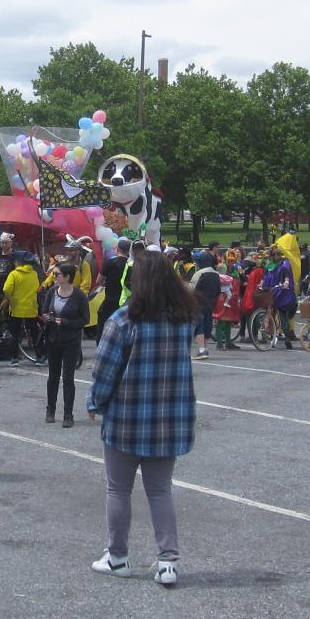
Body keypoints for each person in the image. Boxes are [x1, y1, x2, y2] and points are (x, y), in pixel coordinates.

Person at [86, 248, 196, 587]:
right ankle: (167, 562)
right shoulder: (183, 320)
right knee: (160, 490)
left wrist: (95, 402)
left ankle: (117, 557)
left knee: (118, 489)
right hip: (169, 419)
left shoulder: (122, 320)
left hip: (127, 418)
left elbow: (104, 370)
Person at [42, 260, 90, 427]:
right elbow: (44, 310)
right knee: (53, 377)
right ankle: (50, 410)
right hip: (53, 339)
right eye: (54, 273)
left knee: (68, 379)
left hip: (71, 341)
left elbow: (85, 319)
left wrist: (65, 322)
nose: (54, 276)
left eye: (57, 274)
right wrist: (47, 318)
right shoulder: (52, 292)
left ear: (68, 277)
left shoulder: (79, 296)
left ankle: (68, 415)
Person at [1, 252, 43, 368]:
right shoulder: (34, 274)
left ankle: (15, 358)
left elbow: (6, 289)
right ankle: (39, 357)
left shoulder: (14, 274)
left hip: (16, 309)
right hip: (31, 309)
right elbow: (36, 287)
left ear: (19, 262)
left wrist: (10, 298)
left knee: (15, 334)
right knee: (34, 333)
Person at [188, 252, 221, 359]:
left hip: (199, 304)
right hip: (211, 304)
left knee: (199, 326)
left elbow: (191, 289)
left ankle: (201, 350)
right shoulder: (216, 274)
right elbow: (218, 291)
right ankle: (205, 349)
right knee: (208, 326)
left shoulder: (199, 273)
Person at [97, 238, 131, 339]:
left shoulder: (110, 262)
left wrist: (107, 284)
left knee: (103, 326)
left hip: (109, 300)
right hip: (125, 302)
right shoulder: (130, 264)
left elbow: (99, 280)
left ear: (117, 249)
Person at [213, 265, 241, 352]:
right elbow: (231, 288)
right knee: (222, 321)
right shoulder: (225, 278)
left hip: (221, 299)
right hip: (225, 299)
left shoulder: (216, 277)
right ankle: (221, 343)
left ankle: (225, 342)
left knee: (226, 321)